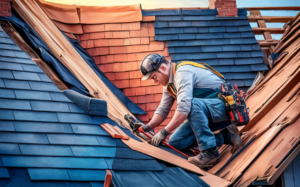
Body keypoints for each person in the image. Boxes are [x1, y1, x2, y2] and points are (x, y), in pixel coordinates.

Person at [134, 53, 242, 170]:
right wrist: (148, 127)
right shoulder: (169, 85)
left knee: (191, 105)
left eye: (154, 77)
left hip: (227, 109)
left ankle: (210, 153)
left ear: (163, 68)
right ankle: (227, 136)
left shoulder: (182, 73)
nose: (155, 81)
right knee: (176, 142)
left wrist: (164, 132)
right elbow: (163, 110)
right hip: (209, 113)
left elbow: (184, 109)